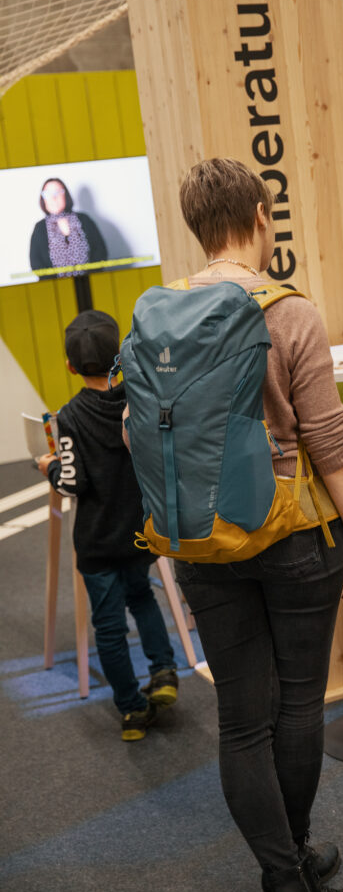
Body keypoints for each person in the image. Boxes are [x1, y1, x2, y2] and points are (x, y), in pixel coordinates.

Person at [153, 158, 343, 892]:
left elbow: (128, 428)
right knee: (297, 706)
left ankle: (287, 889)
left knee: (243, 720)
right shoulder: (289, 312)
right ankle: (298, 867)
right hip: (292, 534)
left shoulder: (159, 312)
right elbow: (332, 443)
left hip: (200, 539)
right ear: (256, 215)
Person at [37, 310, 178, 741]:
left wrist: (48, 468)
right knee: (143, 598)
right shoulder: (139, 400)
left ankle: (133, 713)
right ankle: (165, 671)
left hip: (97, 543)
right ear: (120, 354)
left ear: (70, 366)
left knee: (110, 627)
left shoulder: (69, 417)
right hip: (139, 531)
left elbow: (73, 481)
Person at [30, 177, 108, 276]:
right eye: (47, 194)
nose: (53, 198)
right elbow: (36, 264)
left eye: (58, 192)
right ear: (43, 199)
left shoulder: (84, 219)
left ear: (66, 195)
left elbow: (100, 252)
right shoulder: (39, 228)